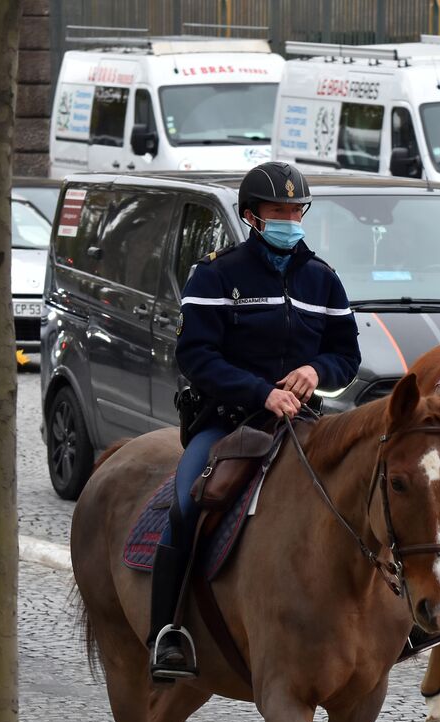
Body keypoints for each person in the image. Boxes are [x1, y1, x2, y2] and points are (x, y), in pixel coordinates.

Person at [148, 161, 360, 681]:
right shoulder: (215, 274)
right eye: (278, 211)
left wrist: (316, 369)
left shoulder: (322, 279)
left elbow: (346, 355)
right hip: (227, 423)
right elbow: (196, 356)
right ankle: (167, 632)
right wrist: (261, 393)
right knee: (184, 504)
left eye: (296, 209)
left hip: (304, 422)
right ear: (252, 217)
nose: (291, 218)